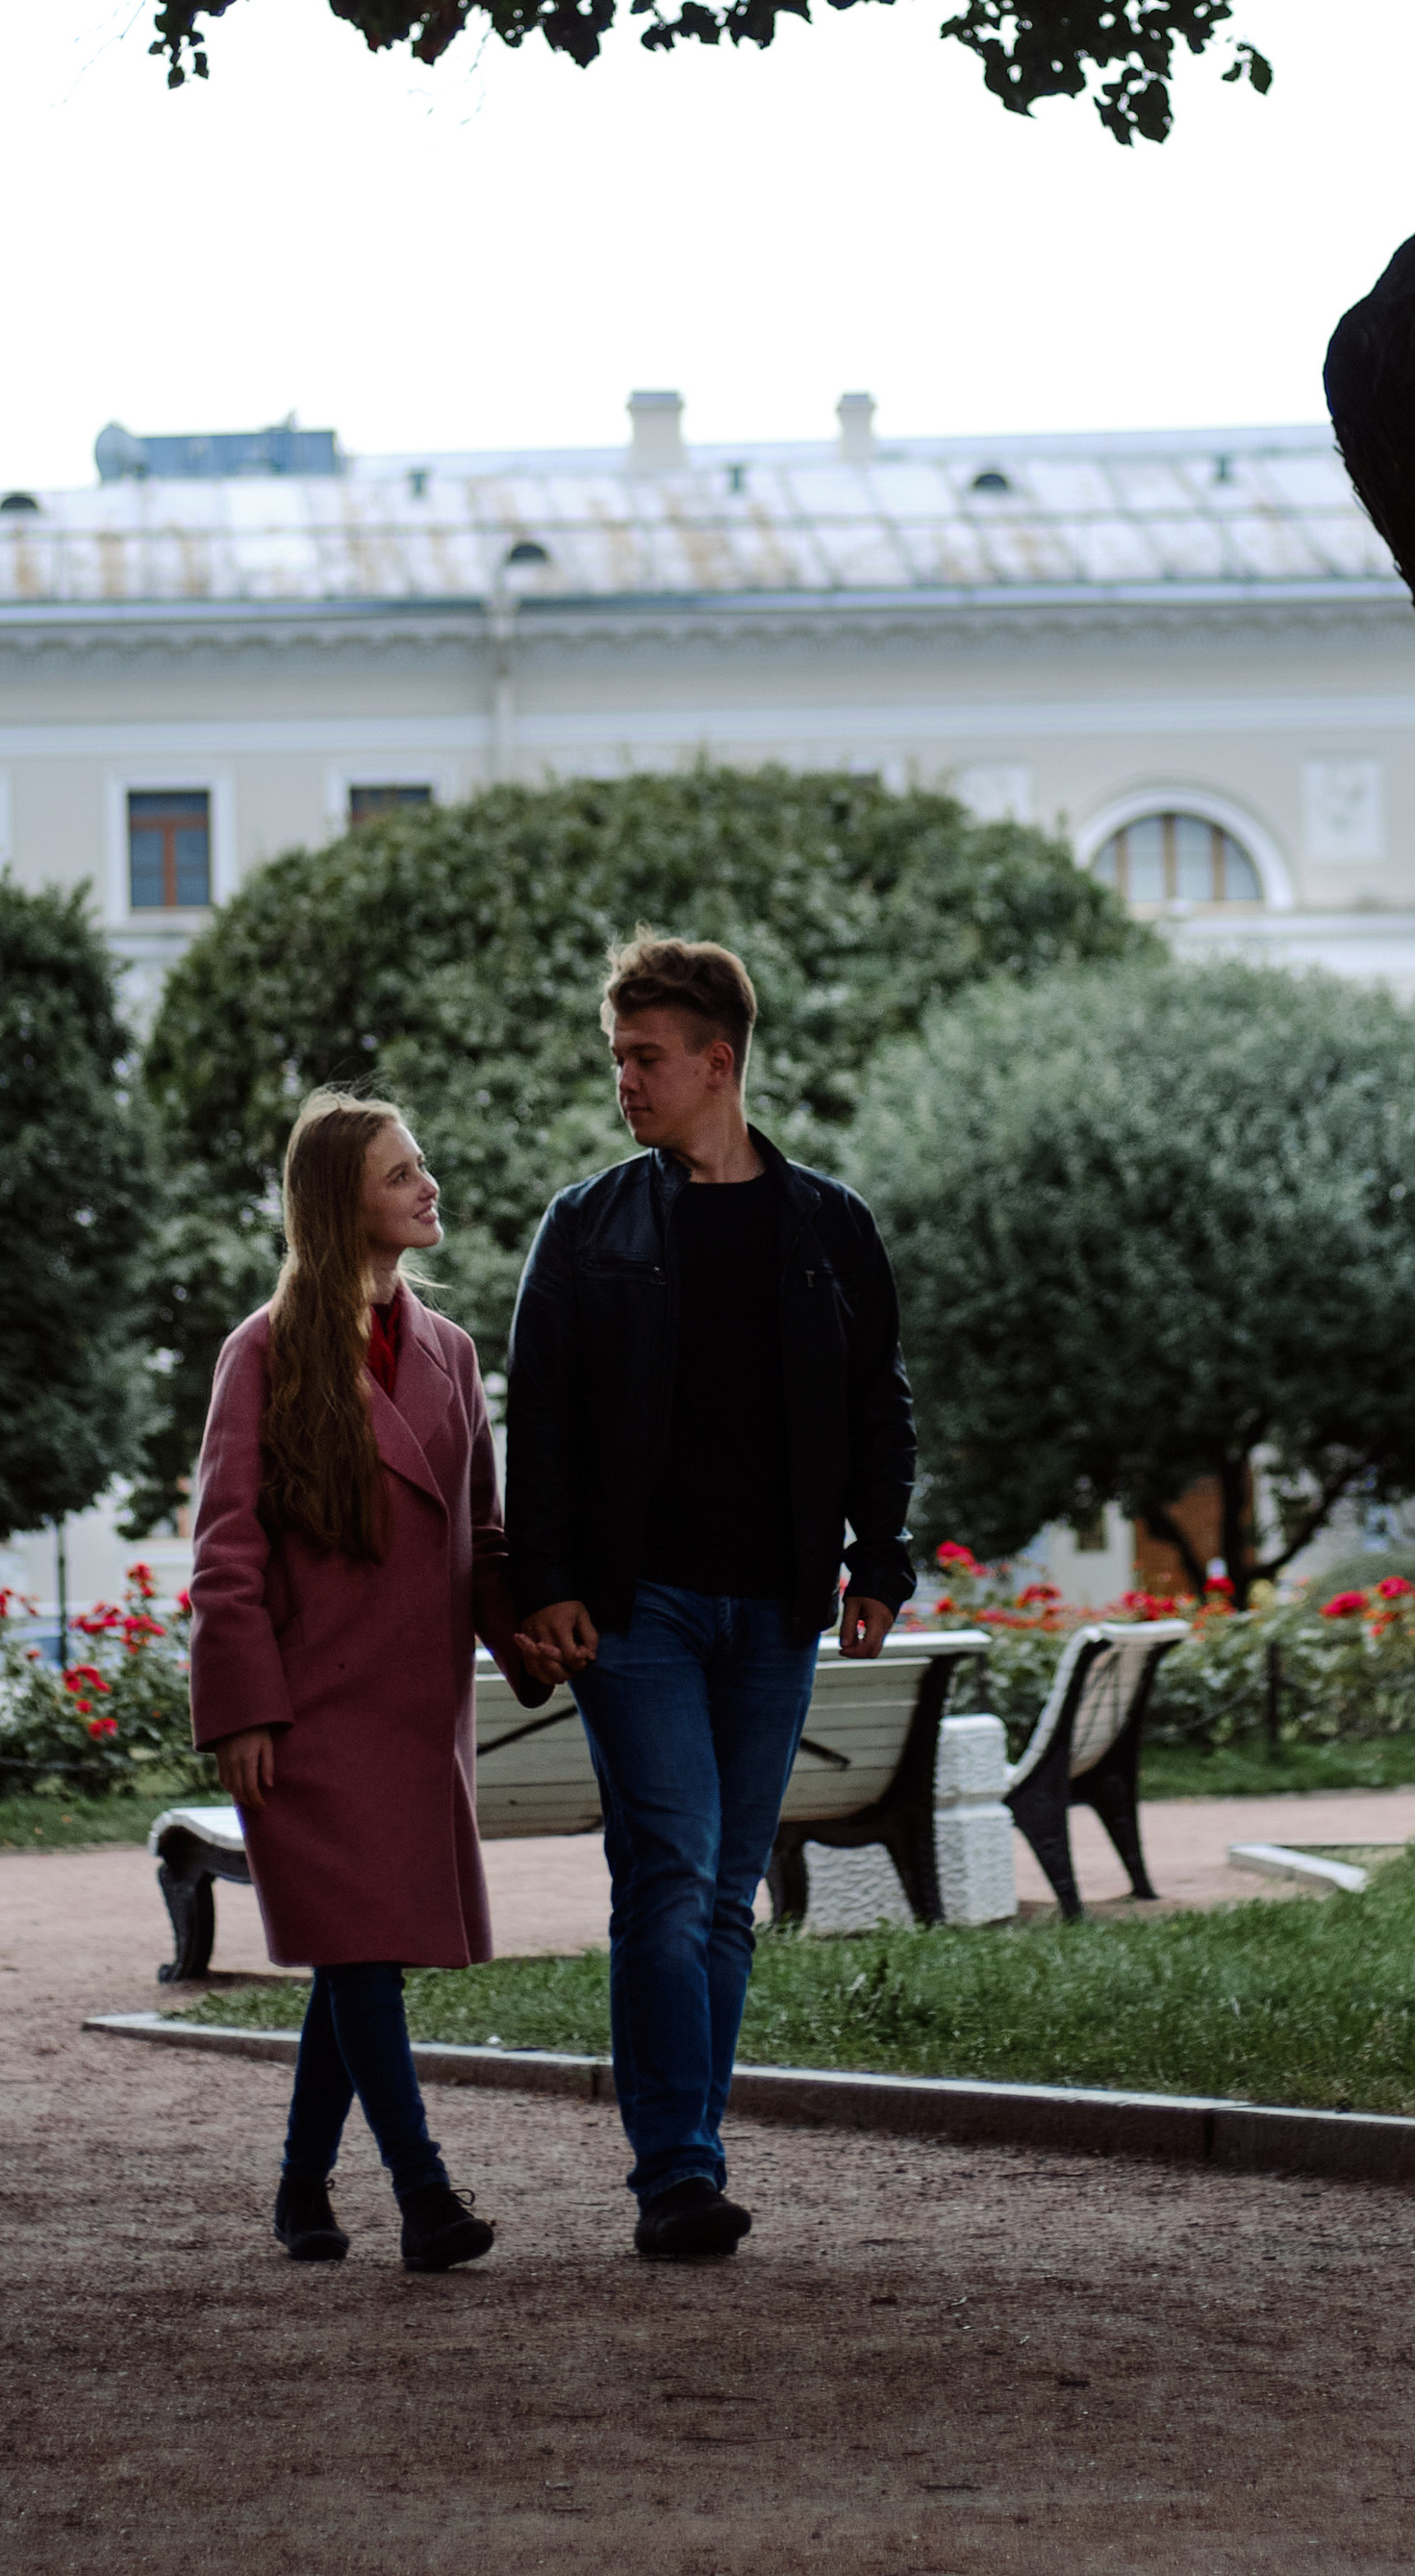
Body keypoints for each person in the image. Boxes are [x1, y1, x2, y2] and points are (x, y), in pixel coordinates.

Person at [506, 932, 916, 2258]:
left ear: (717, 1061)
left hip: (776, 1608)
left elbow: (876, 1409)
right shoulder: (588, 1223)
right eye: (616, 1058)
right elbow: (546, 1419)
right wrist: (549, 1584)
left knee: (728, 1889)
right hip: (640, 1612)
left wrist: (881, 1556)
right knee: (669, 1876)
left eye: (645, 1058)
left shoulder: (829, 1227)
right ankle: (676, 2171)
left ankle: (692, 2149)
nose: (624, 1081)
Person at [189, 1086, 553, 2272]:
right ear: (340, 1201)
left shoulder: (448, 1351)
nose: (427, 1185)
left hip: (417, 1711)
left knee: (361, 1956)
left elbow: (483, 1540)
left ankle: (301, 2189)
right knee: (359, 1954)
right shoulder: (261, 1353)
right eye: (401, 1173)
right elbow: (225, 1548)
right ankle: (425, 2196)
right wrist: (241, 1706)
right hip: (305, 1718)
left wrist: (532, 1637)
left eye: (421, 1165)